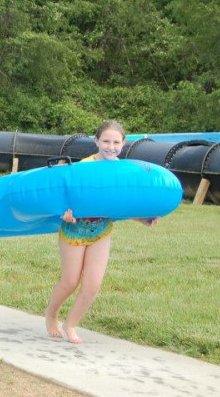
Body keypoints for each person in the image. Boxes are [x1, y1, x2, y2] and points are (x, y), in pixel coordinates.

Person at [44, 119, 159, 345]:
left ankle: (71, 324)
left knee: (93, 284)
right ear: (96, 140)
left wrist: (142, 219)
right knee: (70, 281)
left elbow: (117, 206)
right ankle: (51, 314)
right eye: (106, 140)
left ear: (124, 143)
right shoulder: (83, 166)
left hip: (100, 231)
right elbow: (65, 196)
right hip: (74, 229)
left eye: (116, 142)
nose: (111, 146)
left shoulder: (122, 170)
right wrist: (65, 213)